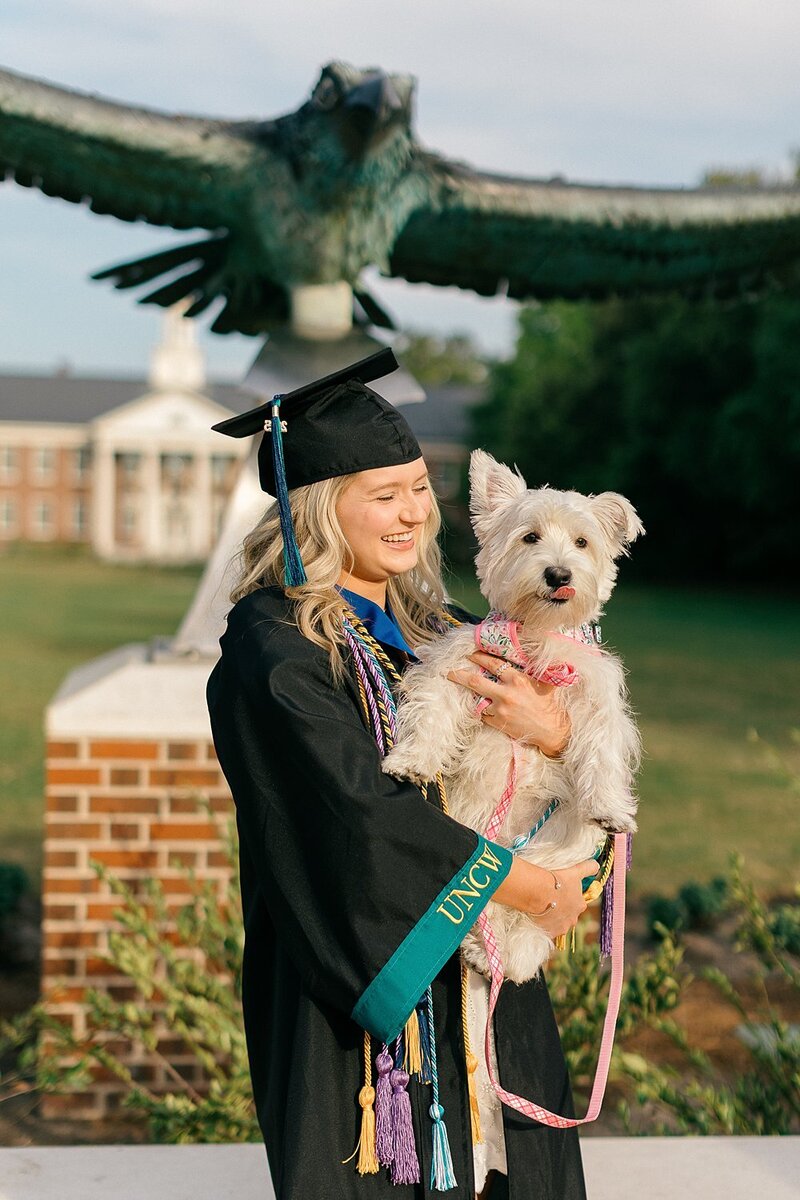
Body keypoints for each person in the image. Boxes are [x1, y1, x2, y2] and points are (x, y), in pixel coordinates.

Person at [206, 350, 597, 1200]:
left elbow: (560, 756)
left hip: (492, 995)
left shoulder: (443, 626)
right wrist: (527, 886)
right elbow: (355, 820)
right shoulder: (275, 649)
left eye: (420, 486)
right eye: (384, 494)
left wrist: (558, 733)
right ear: (318, 507)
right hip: (360, 1011)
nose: (414, 513)